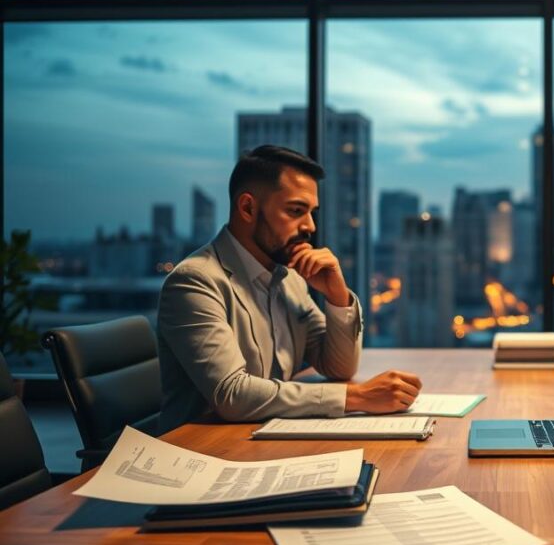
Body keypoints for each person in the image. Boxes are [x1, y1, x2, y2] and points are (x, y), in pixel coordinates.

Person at [158, 145, 421, 431]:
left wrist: (337, 295)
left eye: (312, 212)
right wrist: (356, 397)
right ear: (247, 208)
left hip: (264, 439)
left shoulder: (290, 277)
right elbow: (232, 395)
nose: (310, 226)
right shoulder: (195, 281)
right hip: (199, 454)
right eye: (296, 211)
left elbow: (338, 367)